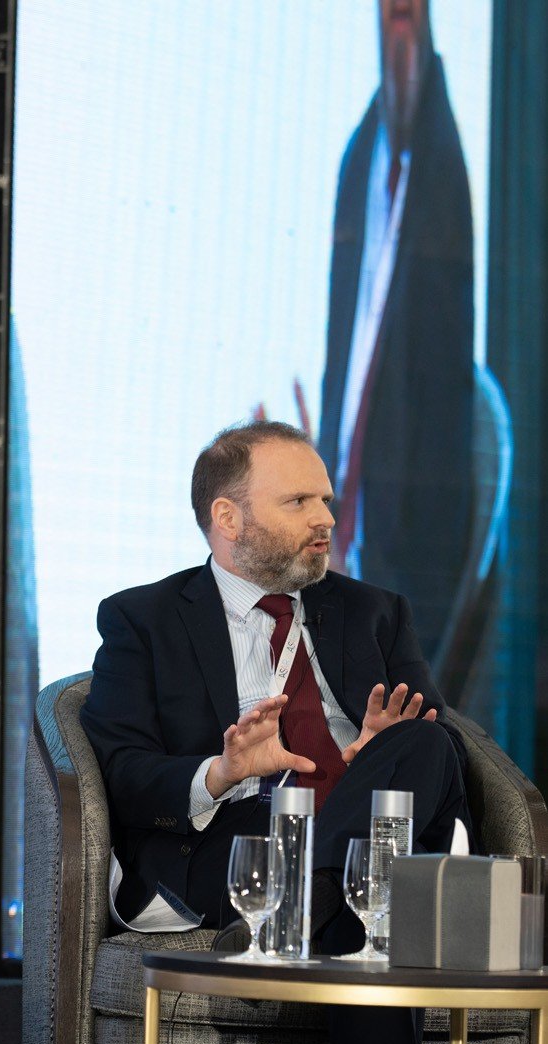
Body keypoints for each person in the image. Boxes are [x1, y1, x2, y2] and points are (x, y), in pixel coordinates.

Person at [81, 420, 472, 1044]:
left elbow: (446, 756)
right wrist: (221, 770)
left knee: (422, 748)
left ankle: (294, 910)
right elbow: (120, 771)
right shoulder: (143, 619)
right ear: (228, 518)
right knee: (377, 889)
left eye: (326, 500)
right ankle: (315, 897)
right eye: (298, 502)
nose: (325, 518)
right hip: (239, 842)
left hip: (372, 829)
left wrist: (380, 756)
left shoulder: (376, 612)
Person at [318, 0, 475, 659]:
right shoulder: (363, 158)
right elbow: (347, 358)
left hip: (403, 549)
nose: (399, 20)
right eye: (390, 12)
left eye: (411, 12)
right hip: (351, 540)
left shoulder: (438, 168)